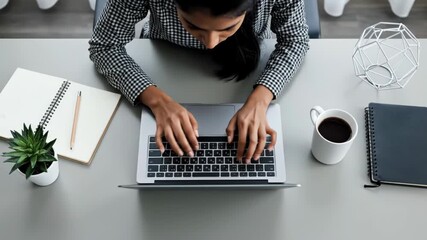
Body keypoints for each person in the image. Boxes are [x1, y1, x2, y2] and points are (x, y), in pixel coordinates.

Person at [89, 0, 309, 163]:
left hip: (249, 65)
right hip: (163, 59)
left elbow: (295, 40)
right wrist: (157, 101)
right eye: (194, 26)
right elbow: (104, 47)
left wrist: (261, 99)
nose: (211, 44)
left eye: (227, 28)